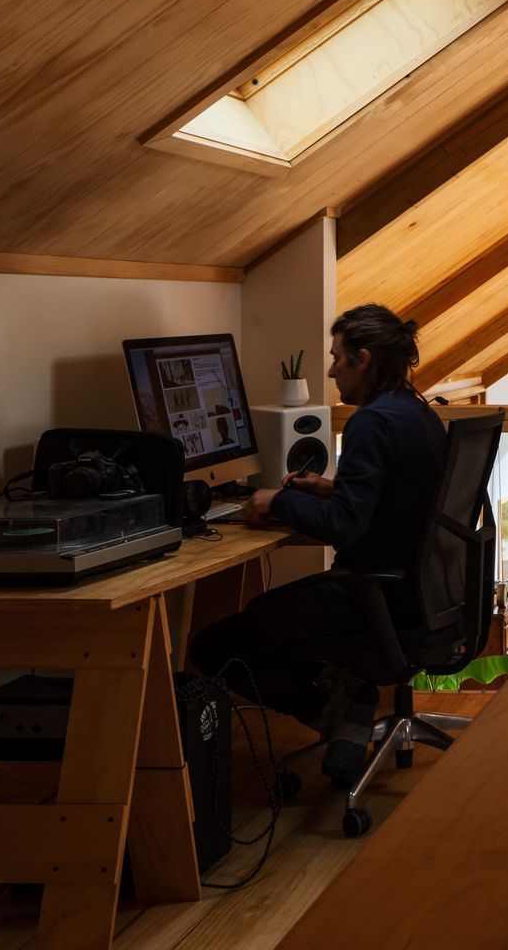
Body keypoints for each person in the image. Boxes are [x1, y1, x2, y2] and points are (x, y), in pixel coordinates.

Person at [189, 305, 446, 779]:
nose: (331, 370)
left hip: (374, 597)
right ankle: (346, 699)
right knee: (261, 618)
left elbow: (342, 526)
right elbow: (399, 498)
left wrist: (275, 501)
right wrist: (331, 488)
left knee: (214, 645)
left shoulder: (372, 422)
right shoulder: (417, 413)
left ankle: (331, 708)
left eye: (337, 358)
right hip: (418, 595)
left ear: (363, 358)